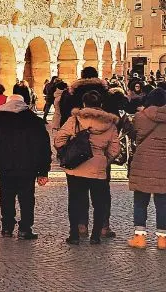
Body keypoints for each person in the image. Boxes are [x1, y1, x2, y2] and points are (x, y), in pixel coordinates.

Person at [54, 90, 120, 244]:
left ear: (84, 104)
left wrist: (68, 151)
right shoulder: (109, 123)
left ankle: (75, 234)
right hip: (98, 167)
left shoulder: (75, 119)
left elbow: (58, 139)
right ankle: (95, 236)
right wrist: (103, 160)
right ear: (101, 104)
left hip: (76, 166)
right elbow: (115, 150)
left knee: (75, 200)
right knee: (99, 202)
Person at [0, 95, 51, 239]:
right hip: (28, 165)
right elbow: (43, 147)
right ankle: (25, 229)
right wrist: (43, 170)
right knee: (26, 198)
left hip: (5, 165)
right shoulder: (34, 121)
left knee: (6, 196)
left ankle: (7, 227)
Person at [127, 87, 166, 249]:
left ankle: (140, 237)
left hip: (142, 163)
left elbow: (135, 135)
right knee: (163, 203)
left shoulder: (140, 116)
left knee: (140, 202)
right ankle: (163, 239)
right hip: (163, 164)